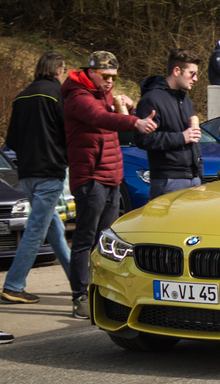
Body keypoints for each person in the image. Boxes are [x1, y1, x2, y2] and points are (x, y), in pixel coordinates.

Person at [61, 51, 157, 318]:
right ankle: (79, 295)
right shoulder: (78, 97)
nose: (111, 82)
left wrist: (128, 106)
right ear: (91, 72)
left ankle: (102, 291)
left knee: (105, 241)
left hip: (111, 176)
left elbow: (113, 117)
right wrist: (134, 121)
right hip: (90, 177)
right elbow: (100, 118)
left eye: (114, 77)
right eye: (105, 76)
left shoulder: (103, 94)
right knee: (84, 238)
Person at [1, 52, 71, 305]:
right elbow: (68, 132)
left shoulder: (21, 97)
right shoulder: (58, 95)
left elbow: (11, 142)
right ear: (58, 70)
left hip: (27, 175)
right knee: (35, 231)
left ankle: (78, 282)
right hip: (50, 174)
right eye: (63, 69)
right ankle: (13, 285)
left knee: (55, 230)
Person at [135, 49, 203, 200]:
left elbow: (193, 141)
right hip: (168, 181)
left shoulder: (186, 100)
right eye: (192, 73)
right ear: (177, 70)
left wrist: (199, 174)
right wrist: (181, 137)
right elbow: (143, 139)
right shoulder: (151, 99)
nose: (196, 78)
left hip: (194, 179)